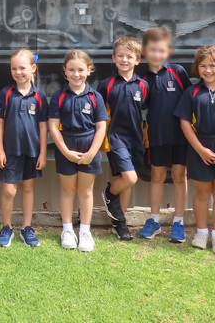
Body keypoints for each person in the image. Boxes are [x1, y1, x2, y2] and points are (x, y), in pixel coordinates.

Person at [175, 45, 215, 256]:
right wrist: (200, 149)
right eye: (202, 66)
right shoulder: (192, 92)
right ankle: (202, 233)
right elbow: (184, 123)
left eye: (212, 65)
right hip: (199, 146)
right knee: (202, 192)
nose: (207, 70)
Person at [49, 50, 108, 252]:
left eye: (80, 70)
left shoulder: (95, 97)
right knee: (68, 190)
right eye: (71, 70)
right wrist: (65, 151)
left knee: (86, 190)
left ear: (89, 70)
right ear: (64, 71)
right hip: (66, 146)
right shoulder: (59, 96)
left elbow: (101, 127)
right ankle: (67, 229)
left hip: (89, 147)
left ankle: (85, 231)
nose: (76, 74)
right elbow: (53, 127)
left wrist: (93, 152)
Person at [138, 27, 191, 242]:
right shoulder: (143, 79)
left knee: (180, 177)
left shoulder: (177, 72)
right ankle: (154, 220)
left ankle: (179, 222)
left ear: (167, 51)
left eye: (161, 50)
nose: (157, 54)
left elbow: (190, 99)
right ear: (144, 51)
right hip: (157, 136)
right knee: (157, 176)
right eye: (152, 50)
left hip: (181, 136)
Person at [0, 49, 48, 248]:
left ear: (33, 68)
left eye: (22, 68)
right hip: (10, 151)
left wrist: (42, 152)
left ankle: (27, 227)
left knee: (27, 188)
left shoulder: (39, 96)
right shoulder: (6, 93)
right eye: (14, 68)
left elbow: (43, 126)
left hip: (32, 152)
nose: (18, 72)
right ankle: (6, 227)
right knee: (9, 191)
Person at [99, 37, 149, 241]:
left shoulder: (143, 85)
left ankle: (120, 223)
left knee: (128, 181)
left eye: (129, 56)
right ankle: (110, 194)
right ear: (113, 58)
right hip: (115, 138)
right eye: (120, 56)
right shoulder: (106, 85)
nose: (124, 60)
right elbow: (99, 115)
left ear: (137, 60)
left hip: (135, 138)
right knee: (129, 177)